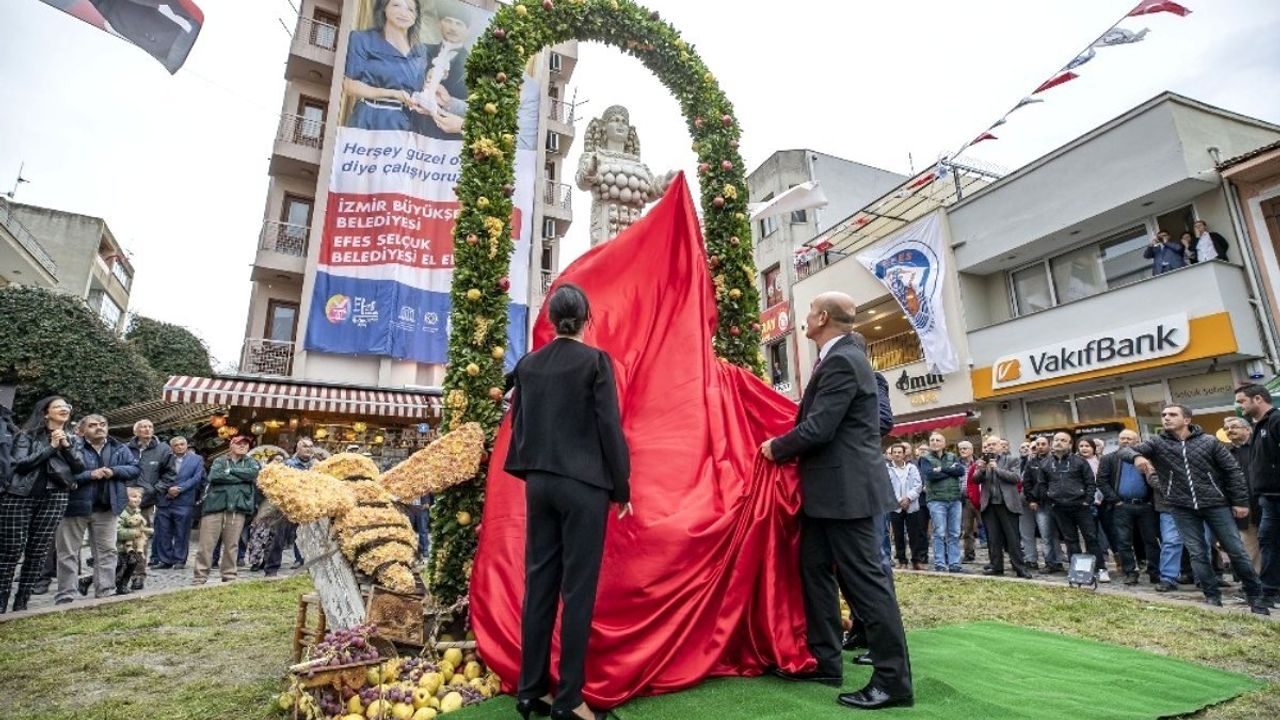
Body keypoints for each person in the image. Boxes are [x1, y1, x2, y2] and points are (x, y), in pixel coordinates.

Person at [762, 291, 913, 710]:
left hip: (847, 494)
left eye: (810, 312)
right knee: (814, 571)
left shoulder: (844, 361)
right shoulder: (837, 359)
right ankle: (825, 661)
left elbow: (819, 428)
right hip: (827, 495)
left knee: (867, 586)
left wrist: (775, 447)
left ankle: (893, 681)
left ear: (823, 317)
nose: (805, 318)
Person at [504, 284, 632, 720]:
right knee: (577, 590)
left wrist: (537, 470)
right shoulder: (595, 362)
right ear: (586, 319)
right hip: (584, 486)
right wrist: (621, 488)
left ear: (551, 320)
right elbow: (609, 428)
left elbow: (519, 425)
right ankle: (570, 699)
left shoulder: (528, 365)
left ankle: (530, 691)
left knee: (539, 583)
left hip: (539, 484)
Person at [1121, 405, 1269, 613]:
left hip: (1215, 504)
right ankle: (1212, 597)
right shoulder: (1157, 442)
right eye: (1164, 415)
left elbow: (1232, 471)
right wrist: (1136, 457)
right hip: (1181, 507)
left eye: (1172, 414)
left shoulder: (1209, 441)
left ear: (1187, 420)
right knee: (1197, 553)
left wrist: (1240, 502)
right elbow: (1125, 450)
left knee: (1236, 550)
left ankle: (1255, 596)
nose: (1166, 418)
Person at [0, 397, 84, 613]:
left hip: (55, 497)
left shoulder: (72, 439)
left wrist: (65, 446)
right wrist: (51, 447)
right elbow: (20, 465)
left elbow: (78, 467)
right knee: (10, 551)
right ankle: (1, 603)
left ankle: (22, 603)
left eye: (66, 406)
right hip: (19, 496)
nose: (64, 409)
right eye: (58, 406)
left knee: (38, 552)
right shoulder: (26, 435)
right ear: (46, 413)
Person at [57, 414, 139, 604]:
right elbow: (61, 474)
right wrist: (89, 475)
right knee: (68, 552)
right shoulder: (72, 446)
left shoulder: (119, 447)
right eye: (93, 425)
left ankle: (105, 592)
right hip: (75, 506)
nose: (99, 428)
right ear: (82, 430)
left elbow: (135, 469)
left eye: (103, 424)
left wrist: (114, 471)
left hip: (107, 508)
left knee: (107, 551)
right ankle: (66, 595)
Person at [1028, 432, 1112, 581]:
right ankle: (1077, 571)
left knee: (1091, 538)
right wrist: (1051, 501)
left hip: (1081, 506)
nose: (1059, 442)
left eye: (1063, 440)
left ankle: (1101, 569)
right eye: (1056, 440)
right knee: (1070, 540)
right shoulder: (1045, 463)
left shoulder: (1079, 461)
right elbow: (1042, 485)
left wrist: (1087, 501)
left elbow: (1090, 483)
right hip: (1059, 507)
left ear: (1070, 444)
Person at [342, 0, 435, 134]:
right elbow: (349, 85)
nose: (403, 13)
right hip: (369, 119)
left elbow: (420, 89)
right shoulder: (362, 39)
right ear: (384, 8)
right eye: (396, 5)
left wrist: (431, 81)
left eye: (410, 9)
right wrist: (392, 94)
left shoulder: (421, 51)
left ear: (416, 17)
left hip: (405, 125)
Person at [1233, 384, 1280, 608]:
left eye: (1242, 401)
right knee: (1267, 543)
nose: (1239, 406)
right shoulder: (1258, 426)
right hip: (1267, 499)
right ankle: (1269, 592)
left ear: (1258, 399)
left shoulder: (1276, 421)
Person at [1098, 430, 1162, 586]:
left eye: (1129, 438)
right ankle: (1130, 572)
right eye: (1122, 438)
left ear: (1137, 441)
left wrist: (1151, 501)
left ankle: (1155, 572)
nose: (1125, 441)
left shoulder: (1146, 458)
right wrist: (1115, 500)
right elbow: (1102, 481)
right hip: (1122, 506)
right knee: (1123, 541)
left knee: (1151, 540)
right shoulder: (1109, 458)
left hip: (1145, 505)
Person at [193, 436, 260, 585]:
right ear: (231, 445)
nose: (243, 446)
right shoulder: (220, 461)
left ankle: (229, 576)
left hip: (237, 508)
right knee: (206, 545)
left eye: (246, 444)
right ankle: (200, 576)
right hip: (214, 507)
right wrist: (240, 477)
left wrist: (230, 471)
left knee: (232, 545)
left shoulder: (252, 462)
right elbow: (214, 476)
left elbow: (252, 474)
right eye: (239, 443)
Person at [974, 435, 1032, 578]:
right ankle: (996, 566)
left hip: (1007, 504)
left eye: (993, 444)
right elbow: (975, 479)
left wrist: (997, 469)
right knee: (993, 539)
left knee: (1013, 539)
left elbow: (1016, 478)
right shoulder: (982, 461)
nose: (991, 447)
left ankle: (1020, 568)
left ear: (1001, 446)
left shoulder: (1012, 459)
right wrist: (981, 470)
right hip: (989, 505)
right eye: (988, 445)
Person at [130, 419, 175, 590]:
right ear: (136, 431)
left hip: (146, 501)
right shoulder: (126, 448)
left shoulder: (163, 449)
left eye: (150, 426)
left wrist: (155, 490)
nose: (147, 429)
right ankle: (120, 573)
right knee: (120, 538)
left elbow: (170, 474)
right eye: (143, 427)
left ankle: (138, 575)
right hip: (124, 500)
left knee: (140, 539)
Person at [263, 439, 316, 576]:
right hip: (287, 506)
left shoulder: (316, 466)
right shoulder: (287, 464)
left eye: (311, 446)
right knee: (278, 538)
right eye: (305, 446)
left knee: (306, 538)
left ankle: (304, 566)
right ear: (297, 449)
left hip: (308, 506)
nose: (308, 449)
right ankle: (271, 569)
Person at [151, 436, 203, 569]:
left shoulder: (196, 459)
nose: (180, 447)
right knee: (163, 532)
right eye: (176, 445)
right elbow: (155, 475)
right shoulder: (164, 458)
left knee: (182, 532)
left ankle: (180, 560)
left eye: (182, 444)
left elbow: (197, 478)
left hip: (184, 500)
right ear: (171, 447)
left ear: (186, 445)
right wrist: (167, 489)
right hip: (164, 499)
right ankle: (165, 560)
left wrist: (180, 489)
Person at [918, 432, 966, 573]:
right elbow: (930, 475)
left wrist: (942, 469)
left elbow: (961, 471)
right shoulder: (925, 458)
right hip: (936, 500)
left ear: (944, 443)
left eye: (938, 440)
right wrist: (950, 471)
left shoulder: (952, 456)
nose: (934, 442)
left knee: (954, 533)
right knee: (939, 532)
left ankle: (954, 563)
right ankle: (940, 563)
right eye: (932, 440)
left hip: (954, 499)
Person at [1023, 435, 1065, 573]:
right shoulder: (1031, 463)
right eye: (1038, 444)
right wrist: (1031, 500)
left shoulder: (1056, 460)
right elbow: (1027, 483)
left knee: (1059, 534)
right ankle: (1050, 562)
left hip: (1058, 503)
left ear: (1049, 445)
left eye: (1043, 444)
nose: (1040, 447)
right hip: (1041, 503)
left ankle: (1060, 561)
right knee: (1045, 535)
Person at [1077, 437, 1113, 578]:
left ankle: (1114, 559)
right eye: (1081, 446)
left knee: (1109, 531)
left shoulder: (1102, 461)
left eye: (1087, 446)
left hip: (1105, 501)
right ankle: (1096, 563)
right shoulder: (1076, 462)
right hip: (1087, 502)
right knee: (1090, 535)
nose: (1084, 448)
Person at [886, 444, 925, 571]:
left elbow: (918, 485)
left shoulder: (912, 468)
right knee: (898, 535)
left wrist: (908, 498)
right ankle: (902, 560)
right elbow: (887, 487)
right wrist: (899, 500)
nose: (897, 454)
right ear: (891, 454)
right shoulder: (887, 469)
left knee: (914, 534)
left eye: (899, 452)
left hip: (911, 505)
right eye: (895, 452)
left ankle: (916, 560)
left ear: (904, 454)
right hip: (895, 506)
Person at [113, 486, 151, 595]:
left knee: (132, 562)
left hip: (129, 547)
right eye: (134, 496)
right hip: (121, 547)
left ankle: (123, 586)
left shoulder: (136, 511)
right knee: (118, 568)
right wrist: (134, 533)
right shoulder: (122, 513)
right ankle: (88, 581)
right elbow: (117, 531)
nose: (138, 499)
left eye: (140, 497)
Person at [957, 440, 981, 563]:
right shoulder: (956, 465)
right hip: (965, 501)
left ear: (971, 450)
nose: (962, 451)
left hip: (980, 499)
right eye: (960, 449)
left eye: (965, 448)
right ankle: (969, 554)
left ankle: (995, 555)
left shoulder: (979, 463)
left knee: (988, 527)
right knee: (967, 529)